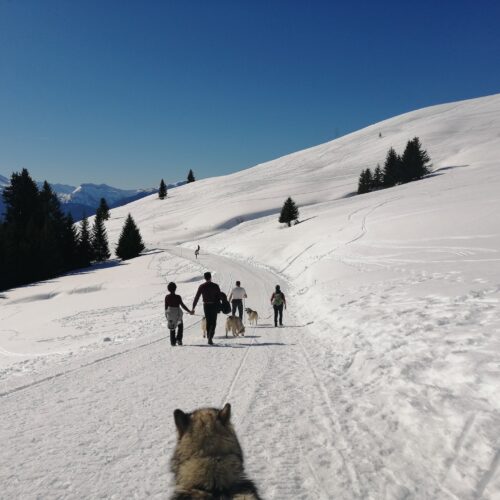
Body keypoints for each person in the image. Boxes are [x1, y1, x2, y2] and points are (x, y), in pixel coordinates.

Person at [192, 271, 221, 345]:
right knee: (213, 322)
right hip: (214, 305)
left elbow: (197, 297)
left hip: (206, 306)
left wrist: (193, 307)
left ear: (205, 278)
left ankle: (209, 336)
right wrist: (220, 306)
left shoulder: (202, 286)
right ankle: (210, 337)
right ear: (210, 277)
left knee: (208, 321)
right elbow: (219, 297)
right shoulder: (215, 286)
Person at [165, 282, 192, 346]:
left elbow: (166, 307)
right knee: (180, 326)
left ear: (168, 289)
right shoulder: (178, 297)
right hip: (178, 315)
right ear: (175, 288)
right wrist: (189, 311)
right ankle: (179, 339)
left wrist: (167, 316)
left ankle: (173, 342)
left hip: (170, 315)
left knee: (172, 328)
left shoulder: (167, 297)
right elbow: (182, 305)